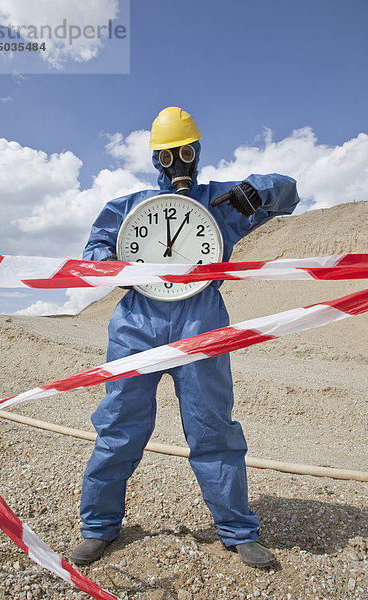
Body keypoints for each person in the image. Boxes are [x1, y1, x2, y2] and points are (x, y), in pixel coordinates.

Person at [71, 107, 300, 568]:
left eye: (187, 152)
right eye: (169, 156)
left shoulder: (222, 203)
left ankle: (237, 531)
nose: (180, 163)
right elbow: (94, 253)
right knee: (118, 425)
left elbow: (289, 194)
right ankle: (98, 527)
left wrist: (258, 190)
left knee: (213, 427)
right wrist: (114, 264)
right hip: (138, 323)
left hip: (202, 320)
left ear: (198, 153)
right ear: (157, 160)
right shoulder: (127, 207)